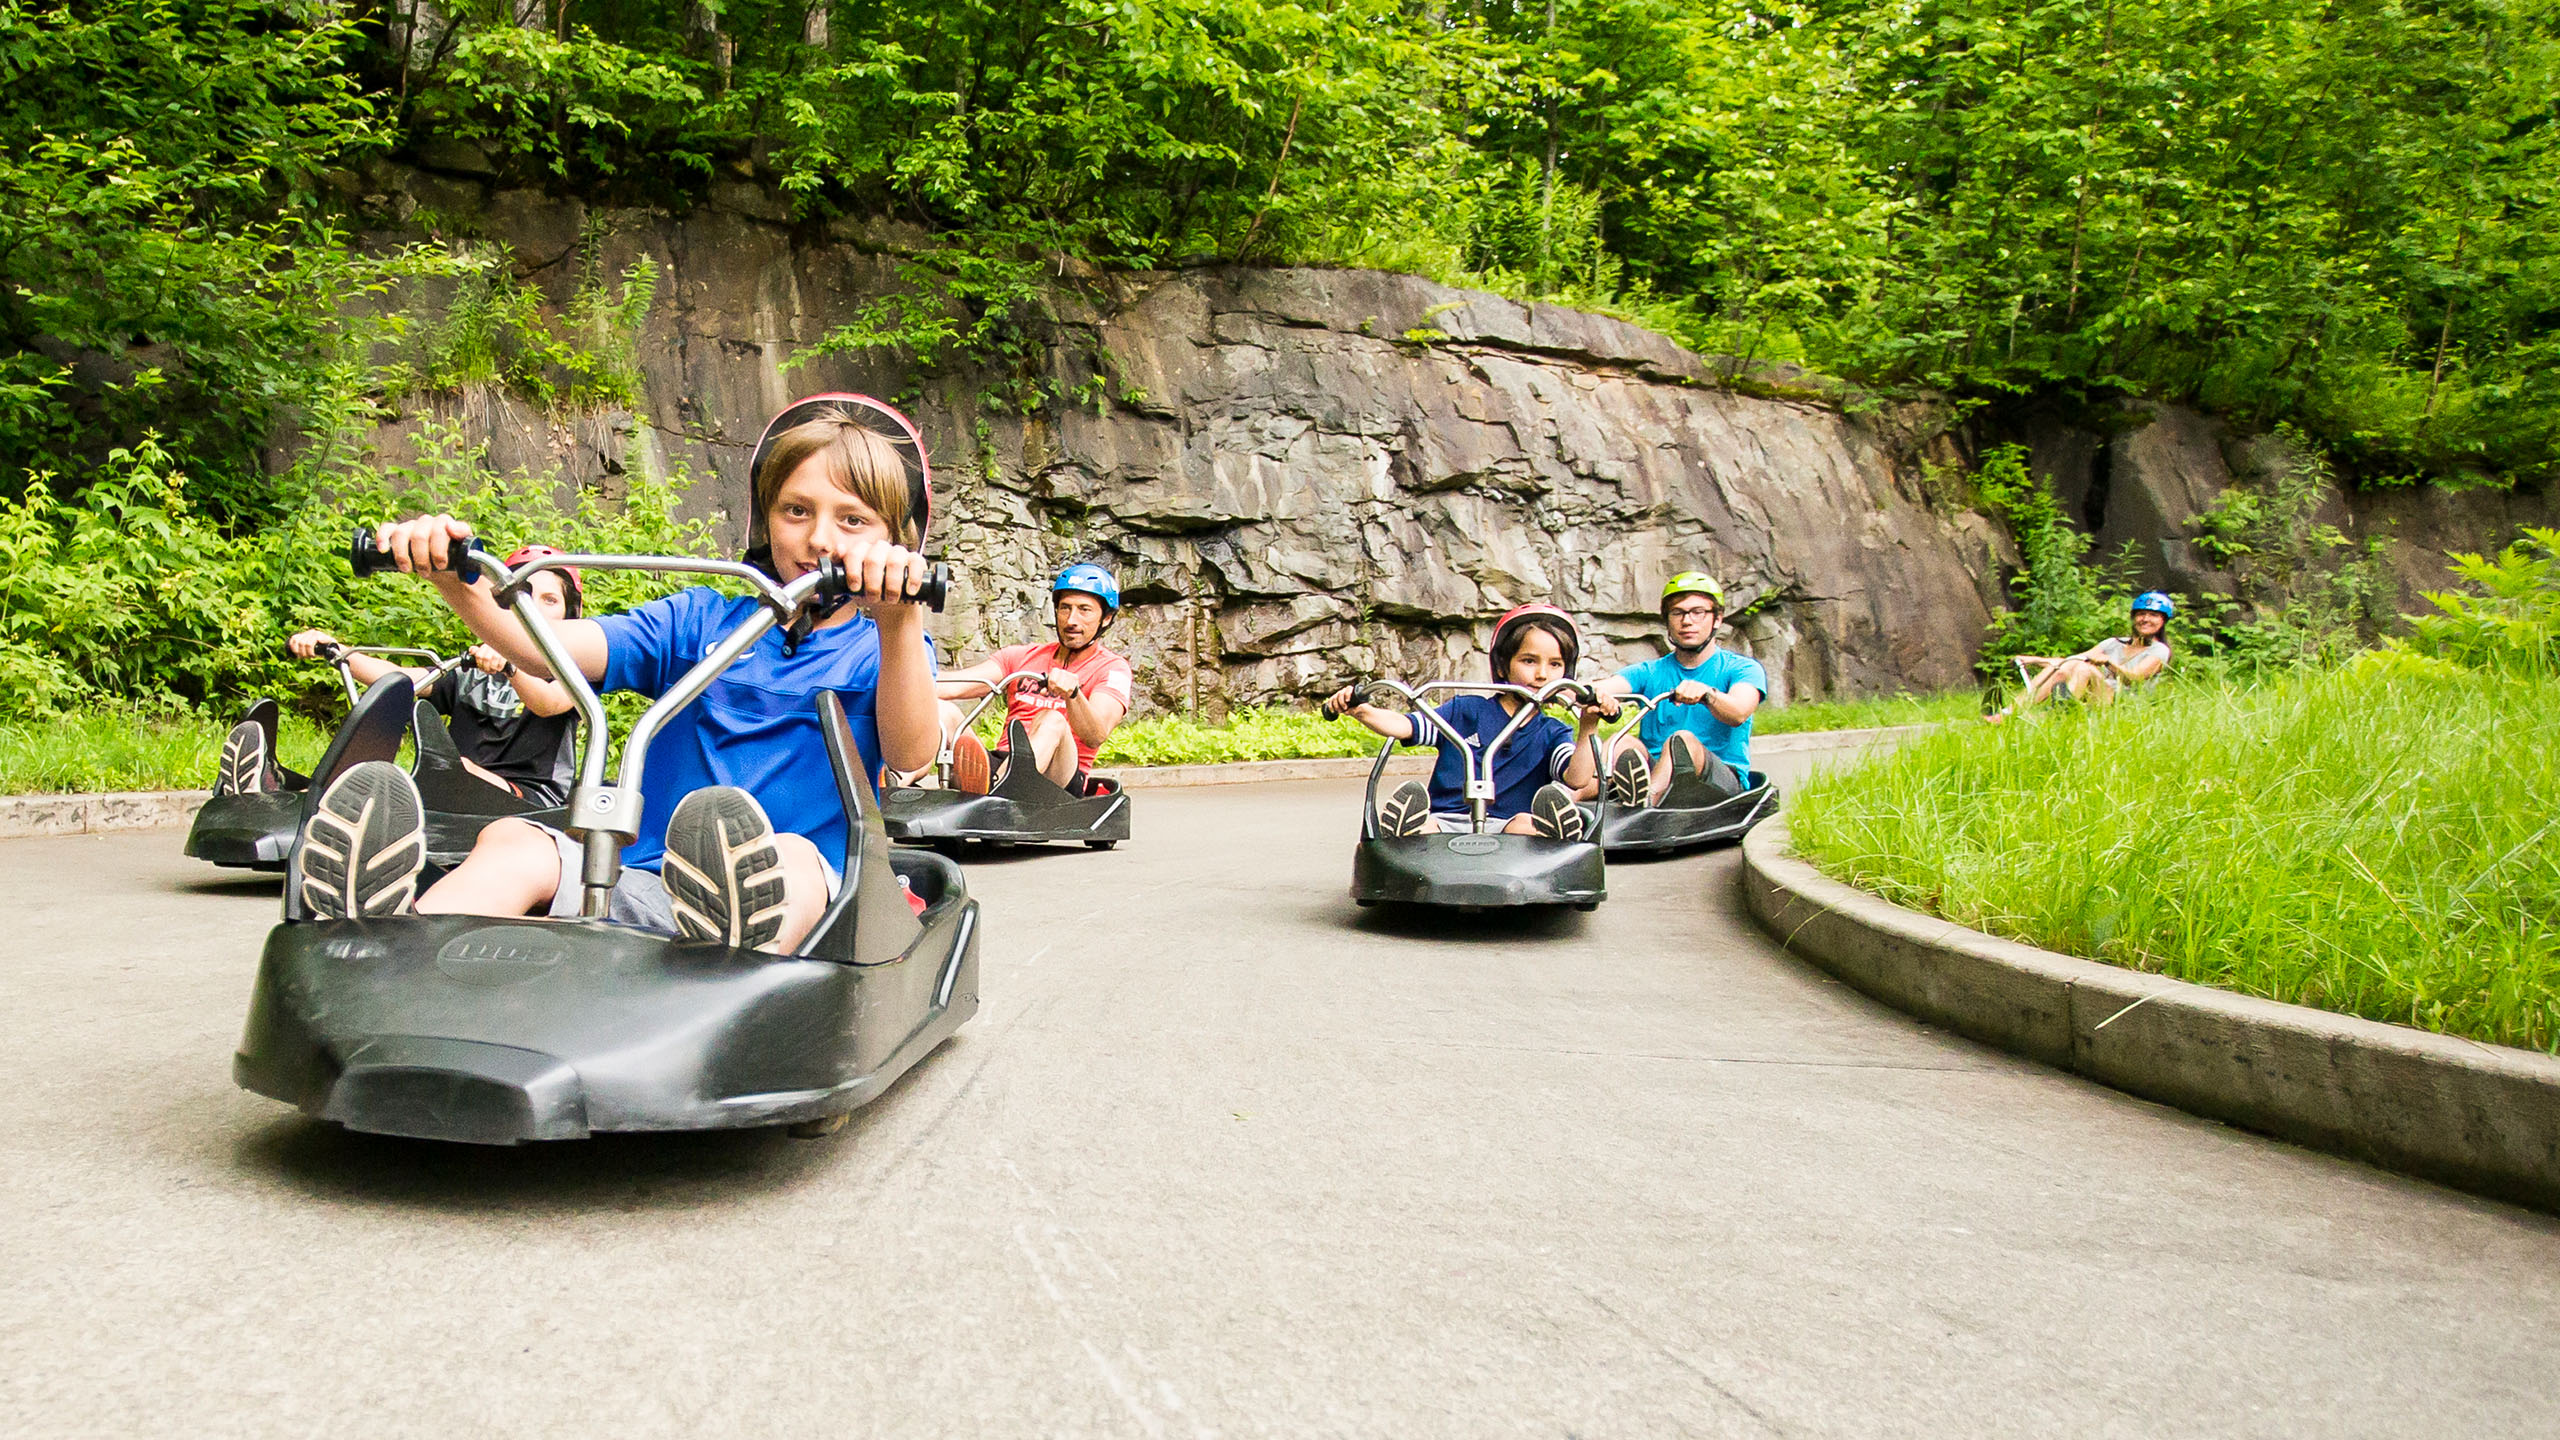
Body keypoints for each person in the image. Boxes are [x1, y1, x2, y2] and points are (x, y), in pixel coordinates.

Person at [293, 394, 941, 953]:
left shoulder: (885, 644)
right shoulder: (702, 618)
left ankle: (730, 967)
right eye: (796, 511)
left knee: (789, 861)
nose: (820, 539)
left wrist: (898, 623)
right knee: (513, 840)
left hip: (812, 891)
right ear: (764, 517)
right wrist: (455, 580)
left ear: (895, 541)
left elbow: (912, 756)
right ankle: (387, 947)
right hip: (643, 878)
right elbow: (544, 649)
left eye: (851, 520)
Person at [276, 549, 584, 806]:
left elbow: (547, 703)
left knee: (446, 772)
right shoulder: (473, 671)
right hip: (456, 790)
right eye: (525, 594)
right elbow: (402, 679)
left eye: (550, 600)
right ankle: (282, 792)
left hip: (533, 803)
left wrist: (511, 666)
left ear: (570, 613)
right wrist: (338, 651)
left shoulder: (574, 670)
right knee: (379, 771)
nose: (535, 608)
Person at [1323, 604, 1603, 839]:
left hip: (1509, 826)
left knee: (1525, 822)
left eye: (1555, 664)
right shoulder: (1465, 711)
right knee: (1426, 826)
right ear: (1503, 665)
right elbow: (1404, 726)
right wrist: (1361, 711)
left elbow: (1576, 779)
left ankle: (1553, 826)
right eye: (1529, 661)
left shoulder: (1552, 732)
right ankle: (1407, 826)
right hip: (1446, 819)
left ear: (1567, 673)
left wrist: (1589, 725)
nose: (1542, 674)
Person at [929, 562, 1134, 795]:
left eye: (1084, 610)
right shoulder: (1021, 656)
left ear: (1105, 618)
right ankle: (897, 779)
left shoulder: (1113, 669)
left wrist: (1073, 695)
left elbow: (1096, 735)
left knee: (1053, 719)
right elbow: (952, 686)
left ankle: (998, 789)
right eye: (1065, 608)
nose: (1071, 620)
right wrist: (899, 679)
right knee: (941, 710)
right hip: (1001, 762)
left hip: (1061, 776)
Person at [1591, 572, 1765, 807]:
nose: (1687, 621)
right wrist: (1582, 693)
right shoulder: (1649, 671)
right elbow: (1605, 687)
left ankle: (1645, 804)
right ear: (1668, 619)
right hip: (1655, 770)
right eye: (1678, 612)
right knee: (1619, 742)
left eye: (1698, 612)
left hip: (1719, 779)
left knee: (1681, 740)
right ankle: (1571, 801)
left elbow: (1739, 712)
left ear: (1717, 619)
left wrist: (1707, 695)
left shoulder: (1743, 668)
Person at [1988, 592, 2175, 722]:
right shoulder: (2112, 642)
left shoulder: (2159, 651)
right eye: (2141, 614)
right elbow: (2071, 660)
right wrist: (2034, 660)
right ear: (2134, 618)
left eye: (2153, 615)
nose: (2145, 619)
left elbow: (2135, 678)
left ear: (2163, 621)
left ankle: (2059, 713)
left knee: (2084, 668)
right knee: (2071, 665)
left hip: (2120, 703)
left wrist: (2109, 663)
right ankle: (2012, 712)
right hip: (2094, 695)